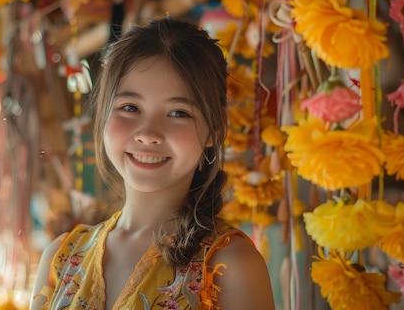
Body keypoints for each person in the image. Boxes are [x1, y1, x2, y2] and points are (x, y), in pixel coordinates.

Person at [30, 17, 275, 310]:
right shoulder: (61, 257)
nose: (147, 134)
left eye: (178, 113)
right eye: (130, 107)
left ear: (213, 130)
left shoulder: (231, 265)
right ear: (102, 116)